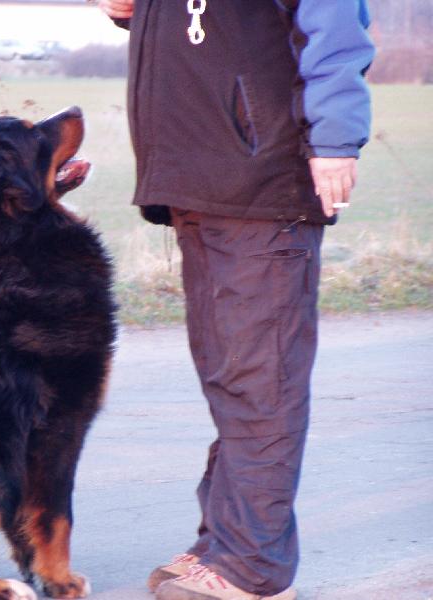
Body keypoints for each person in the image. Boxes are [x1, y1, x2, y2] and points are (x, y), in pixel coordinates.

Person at [97, 1, 375, 599]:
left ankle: (252, 571)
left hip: (264, 180)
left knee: (261, 380)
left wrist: (336, 138)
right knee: (232, 378)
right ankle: (224, 547)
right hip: (202, 180)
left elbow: (334, 31)